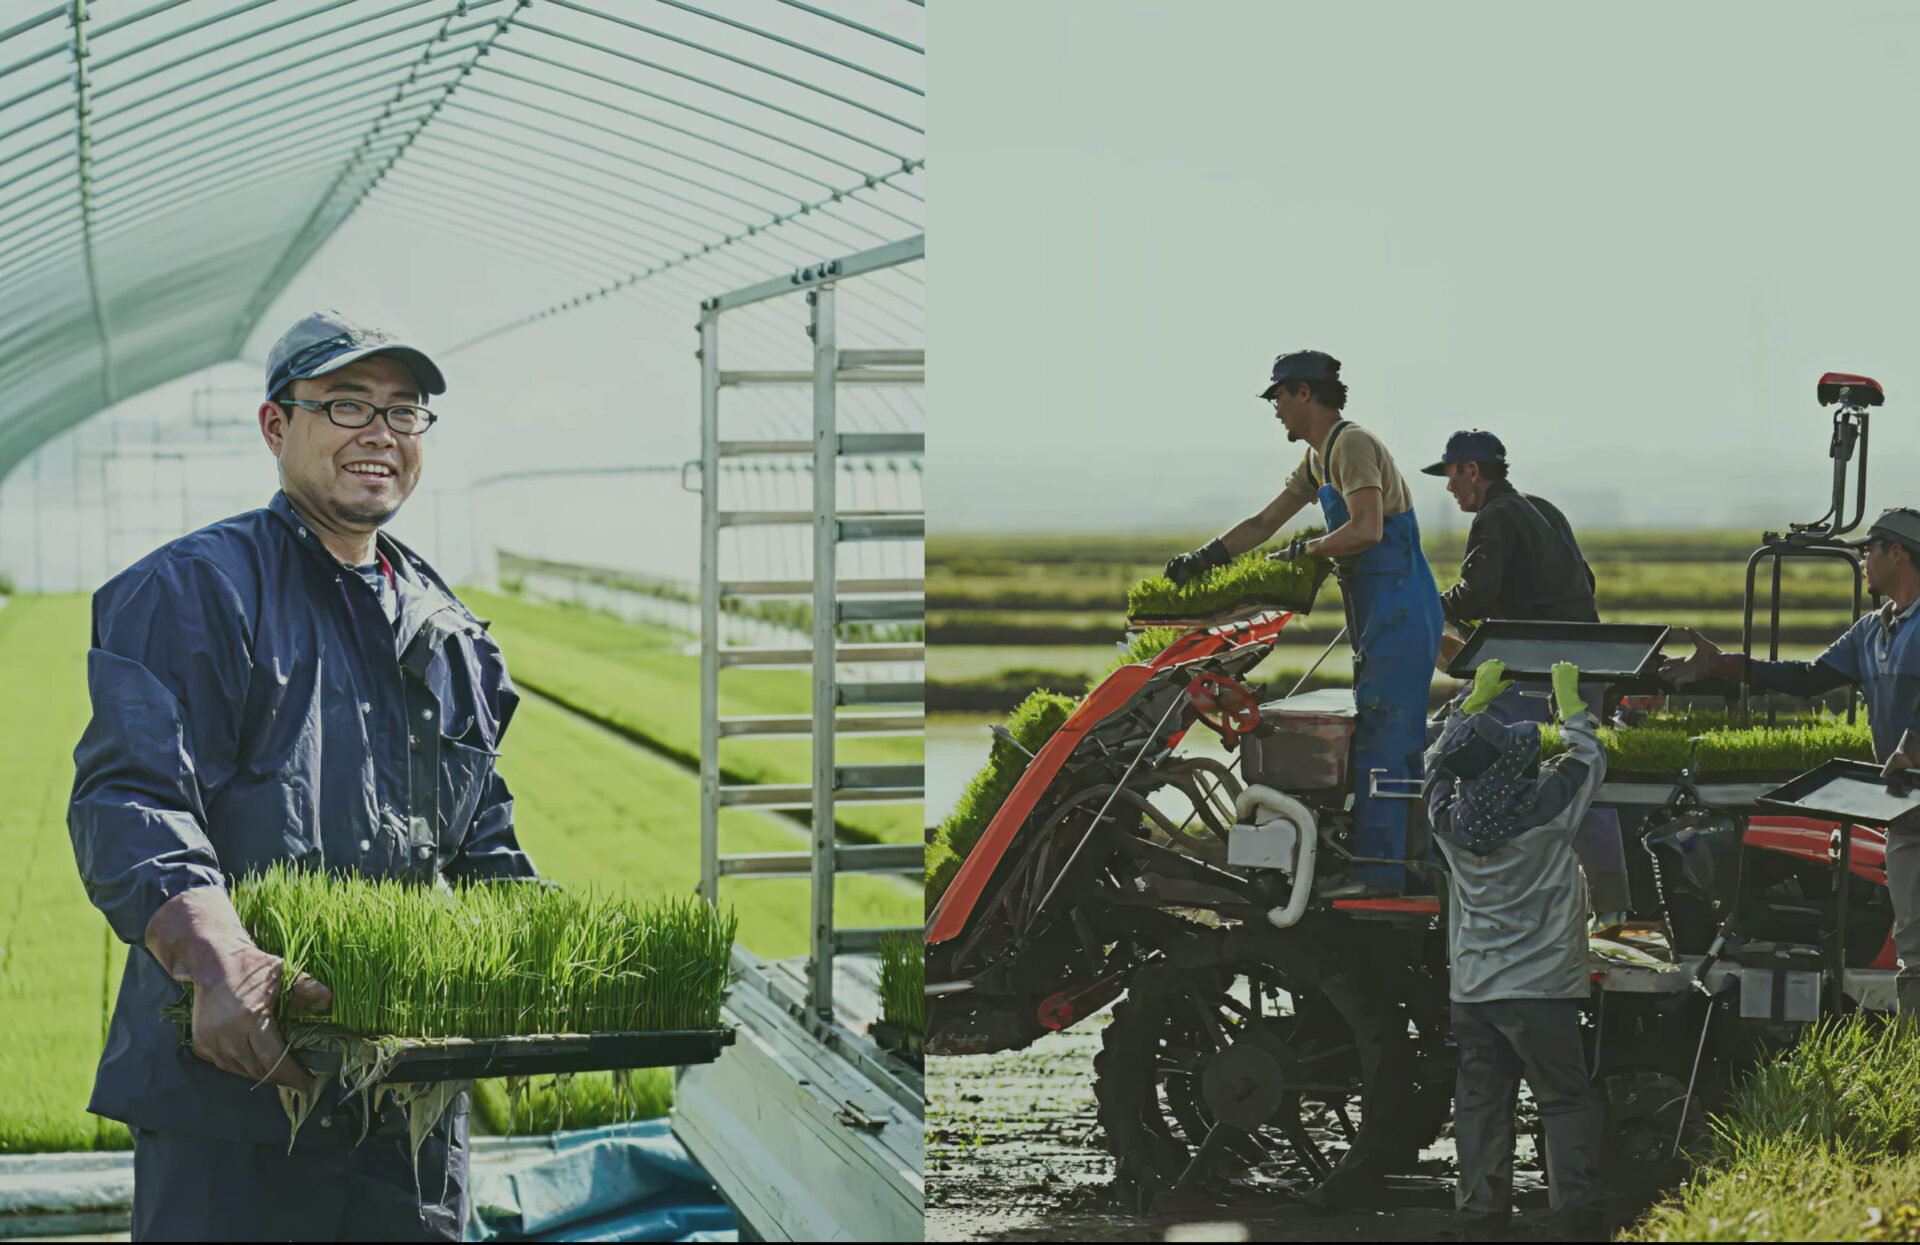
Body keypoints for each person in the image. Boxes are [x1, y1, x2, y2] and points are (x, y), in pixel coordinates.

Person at [67, 310, 535, 1241]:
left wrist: (560, 964)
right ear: (276, 425)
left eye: (404, 410)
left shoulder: (451, 632)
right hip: (235, 1098)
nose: (381, 432)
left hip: (410, 1104)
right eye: (347, 404)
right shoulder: (195, 590)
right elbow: (132, 796)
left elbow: (483, 838)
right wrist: (218, 957)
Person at [1166, 350, 1443, 893]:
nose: (1275, 411)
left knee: (1386, 738)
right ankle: (1392, 869)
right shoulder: (1318, 458)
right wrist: (1204, 558)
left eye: (1278, 398)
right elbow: (1264, 522)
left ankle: (1384, 879)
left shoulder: (1352, 445)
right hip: (1375, 609)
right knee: (1377, 734)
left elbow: (1367, 529)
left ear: (1304, 393)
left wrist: (1308, 551)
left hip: (1401, 605)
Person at [1663, 505, 1920, 1012]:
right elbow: (1809, 678)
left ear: (1897, 553)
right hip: (1904, 809)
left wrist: (1911, 745)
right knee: (1912, 943)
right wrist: (1726, 666)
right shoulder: (1873, 630)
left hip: (1908, 784)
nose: (1863, 561)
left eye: (1868, 550)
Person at [1426, 659, 1609, 1241]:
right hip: (1542, 989)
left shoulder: (1448, 823)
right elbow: (1588, 758)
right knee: (1564, 1098)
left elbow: (1434, 765)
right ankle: (1576, 1214)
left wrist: (1468, 705)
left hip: (1474, 990)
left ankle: (1480, 1217)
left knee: (1480, 1102)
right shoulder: (1547, 814)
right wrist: (1571, 706)